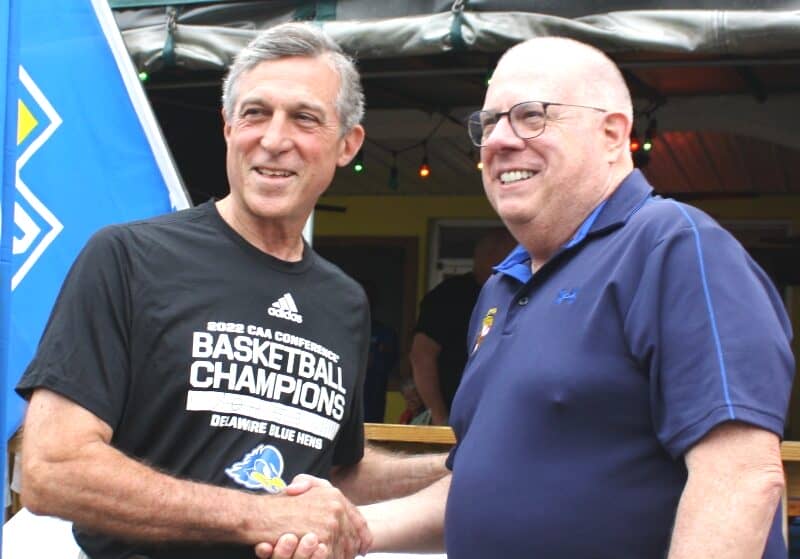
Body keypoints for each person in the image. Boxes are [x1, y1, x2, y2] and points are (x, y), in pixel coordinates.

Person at [267, 35, 795, 559]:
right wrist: (342, 525)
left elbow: (742, 478)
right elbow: (478, 492)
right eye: (490, 122)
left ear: (612, 134)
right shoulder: (502, 286)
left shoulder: (673, 247)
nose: (498, 140)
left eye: (531, 115)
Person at [16, 22, 446, 559]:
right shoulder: (129, 259)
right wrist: (259, 516)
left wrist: (455, 467)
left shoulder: (344, 303)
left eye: (305, 118)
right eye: (255, 113)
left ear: (347, 144)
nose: (273, 139)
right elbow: (50, 470)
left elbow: (329, 474)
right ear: (227, 126)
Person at [409, 228, 514, 425]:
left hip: (500, 417)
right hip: (454, 417)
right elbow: (422, 355)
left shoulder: (517, 294)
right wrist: (439, 417)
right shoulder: (450, 296)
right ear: (491, 256)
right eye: (515, 255)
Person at [359, 280, 399, 423]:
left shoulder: (385, 333)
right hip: (343, 409)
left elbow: (390, 366)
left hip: (373, 408)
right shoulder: (342, 331)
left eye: (368, 297)